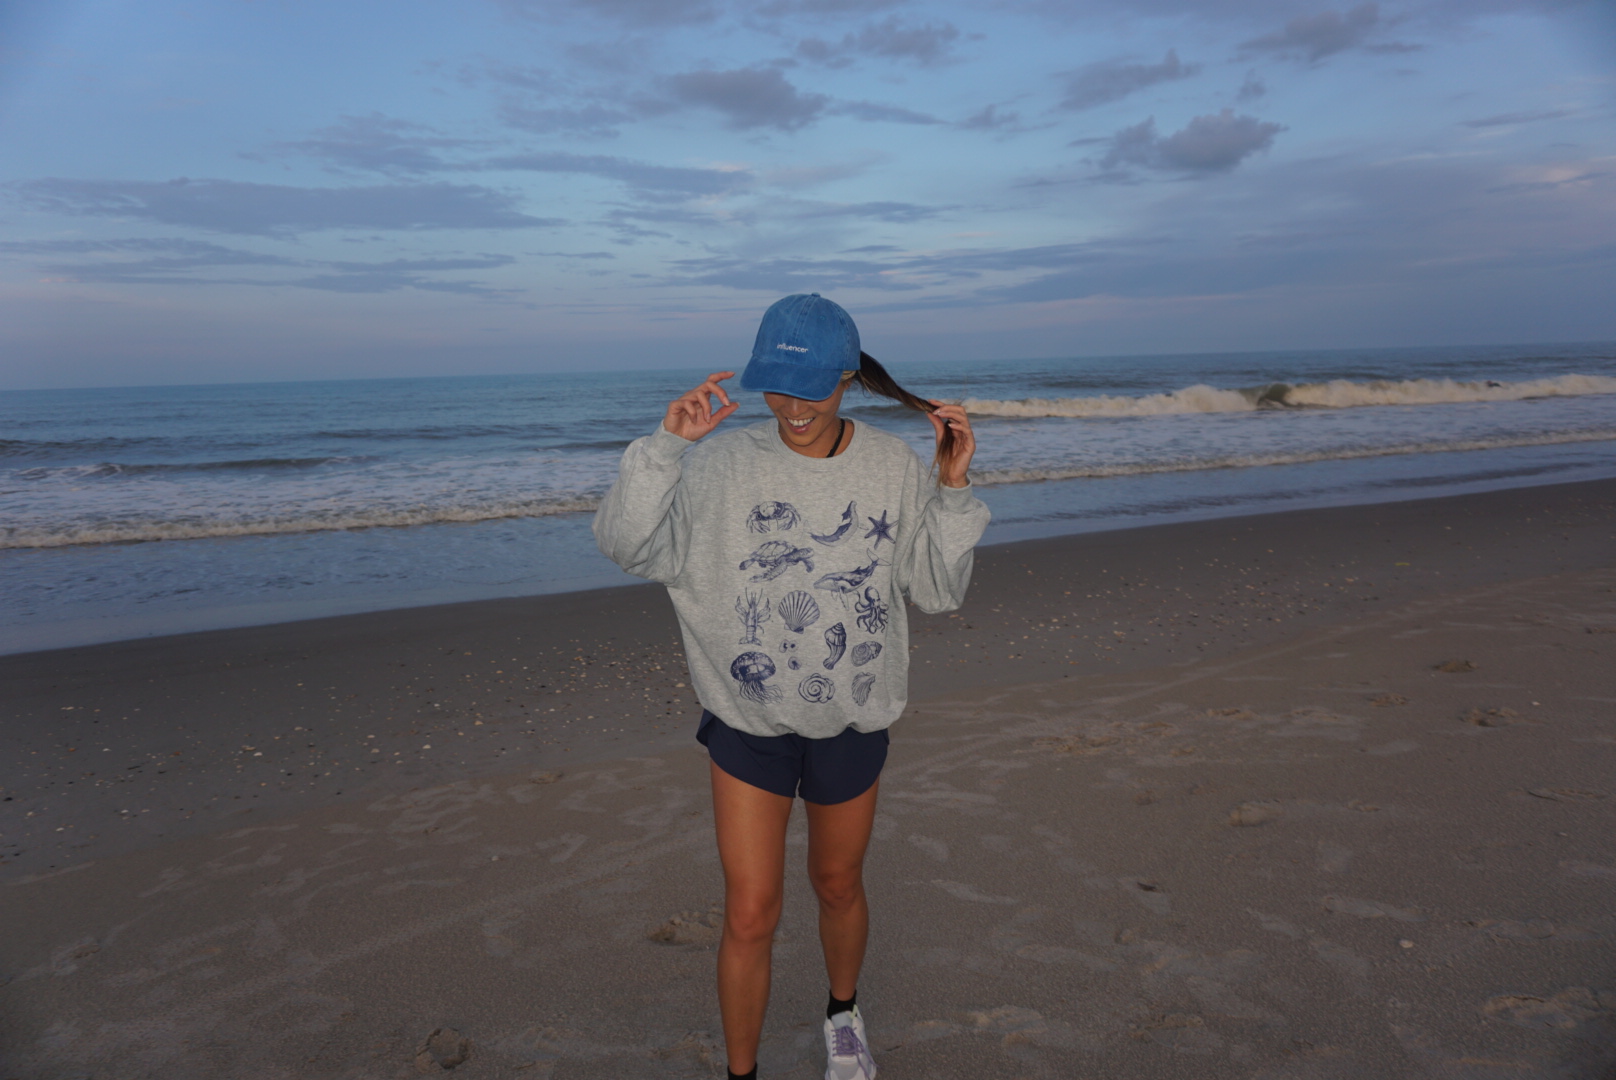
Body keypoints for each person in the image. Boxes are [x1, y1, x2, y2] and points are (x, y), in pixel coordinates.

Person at [594, 294, 989, 1080]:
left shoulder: (889, 467)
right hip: (746, 721)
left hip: (852, 718)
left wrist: (949, 490)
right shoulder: (720, 465)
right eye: (775, 386)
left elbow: (939, 592)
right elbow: (627, 544)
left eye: (811, 388)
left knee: (838, 884)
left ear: (850, 377)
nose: (792, 406)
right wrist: (666, 448)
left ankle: (843, 1015)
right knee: (749, 911)